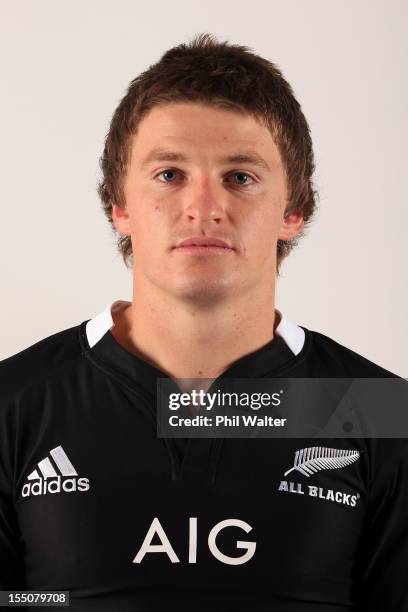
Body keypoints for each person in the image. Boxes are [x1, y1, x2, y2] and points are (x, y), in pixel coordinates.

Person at [0, 32, 407, 612]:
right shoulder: (16, 403)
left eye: (240, 177)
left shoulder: (376, 411)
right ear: (119, 205)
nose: (203, 206)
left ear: (293, 211)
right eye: (169, 174)